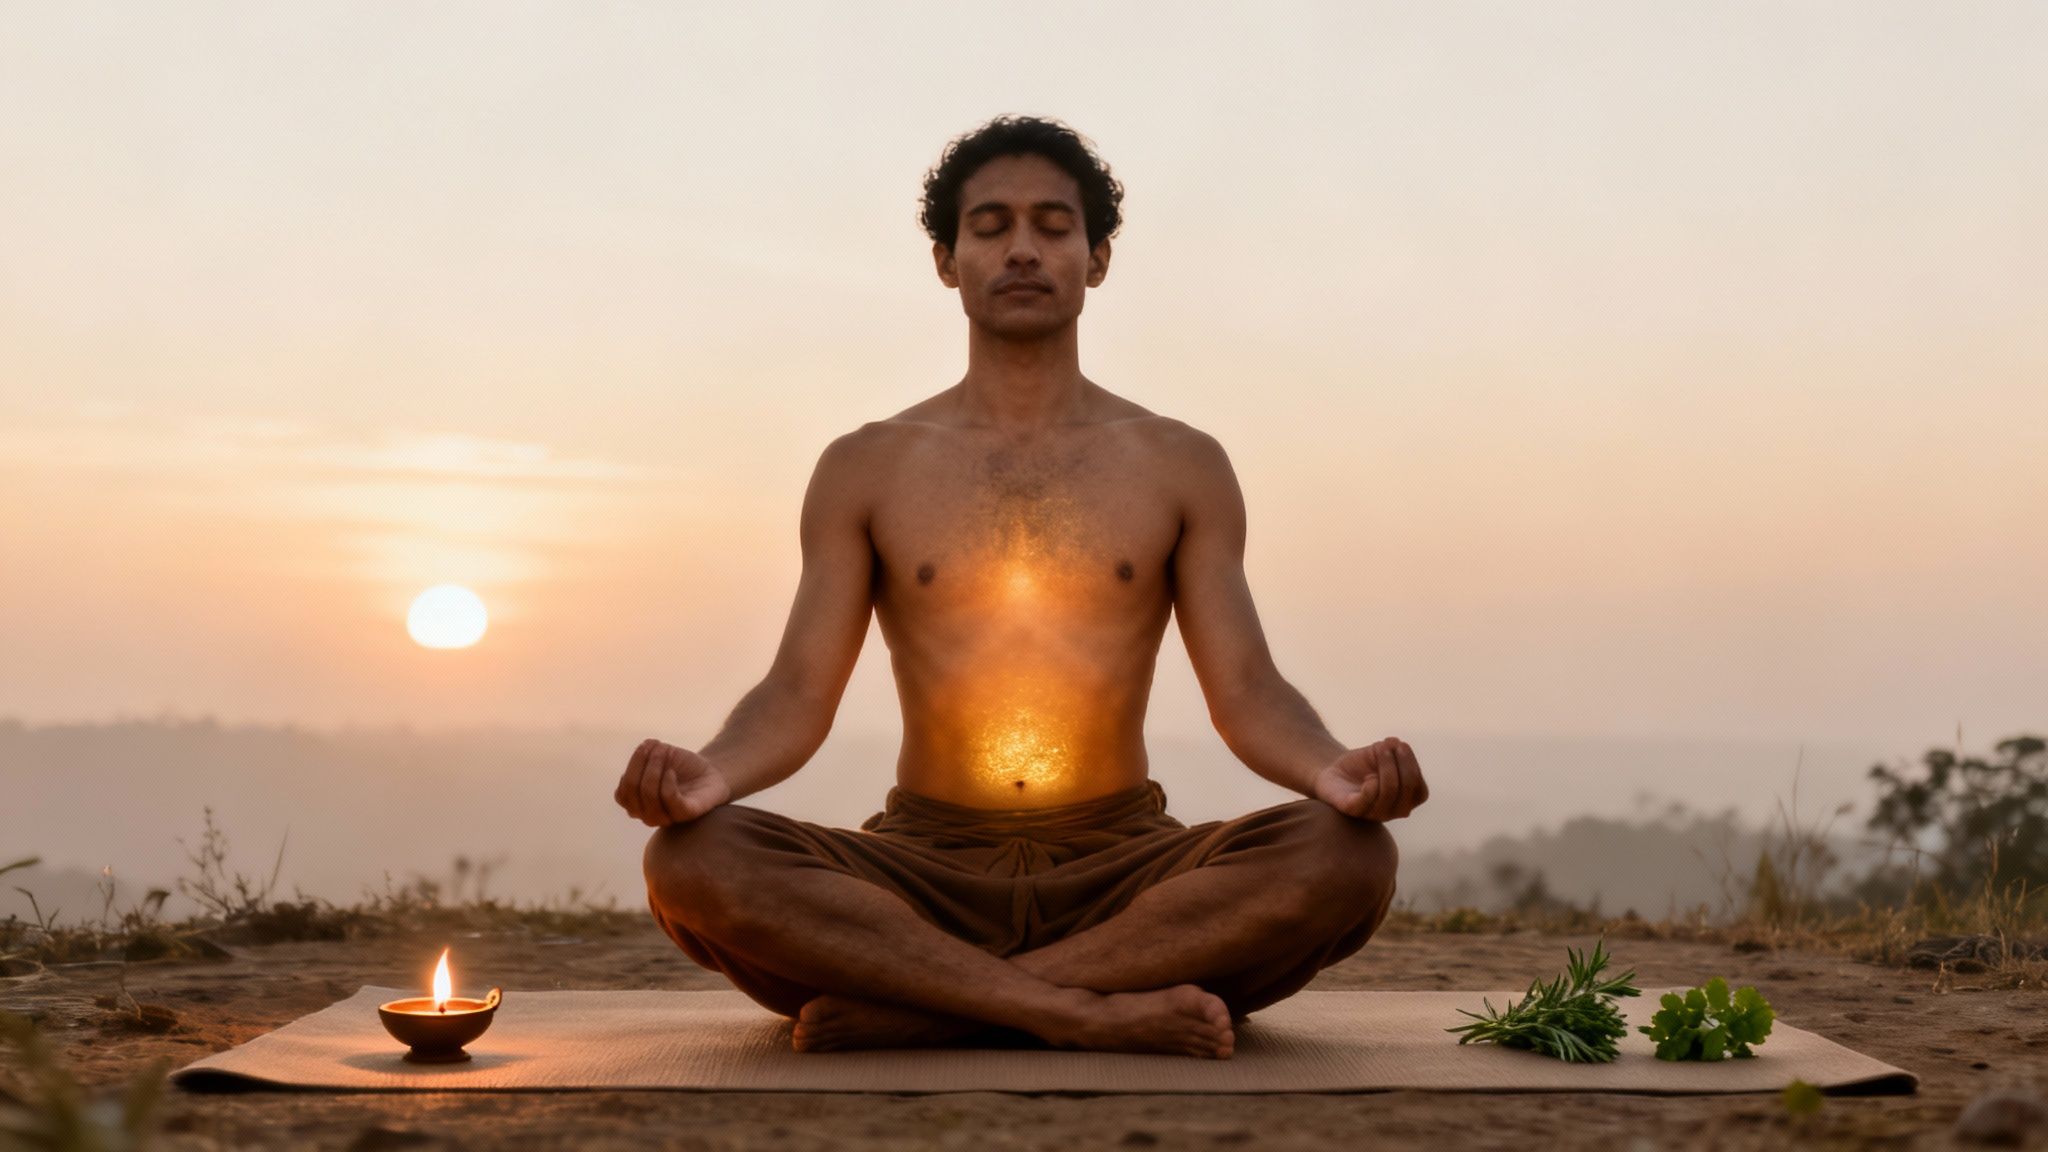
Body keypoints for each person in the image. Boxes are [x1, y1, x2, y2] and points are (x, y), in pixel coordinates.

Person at [617, 115, 1427, 1059]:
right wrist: (711, 776)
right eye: (992, 225)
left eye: (1052, 225)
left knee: (1346, 855)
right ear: (946, 260)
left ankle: (933, 1008)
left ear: (1098, 257)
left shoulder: (1181, 463)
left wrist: (1332, 770)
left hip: (1126, 868)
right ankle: (1081, 1008)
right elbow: (797, 693)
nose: (1023, 250)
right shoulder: (865, 465)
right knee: (692, 860)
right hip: (920, 870)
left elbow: (1247, 691)